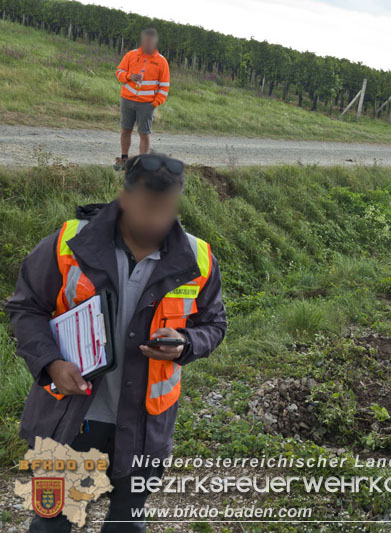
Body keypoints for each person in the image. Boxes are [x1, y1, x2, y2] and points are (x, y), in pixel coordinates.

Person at [6, 153, 227, 532]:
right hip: (70, 419)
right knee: (51, 522)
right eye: (146, 208)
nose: (155, 220)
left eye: (165, 209)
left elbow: (214, 323)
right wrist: (51, 363)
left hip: (146, 425)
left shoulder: (197, 258)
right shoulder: (69, 243)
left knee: (127, 522)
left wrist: (186, 342)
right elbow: (26, 308)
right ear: (124, 198)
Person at [114, 28, 171, 170]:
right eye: (145, 41)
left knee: (144, 134)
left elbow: (164, 87)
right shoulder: (131, 55)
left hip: (146, 104)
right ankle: (124, 159)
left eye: (150, 42)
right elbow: (119, 72)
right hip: (127, 100)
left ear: (155, 43)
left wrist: (154, 103)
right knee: (125, 129)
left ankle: (141, 164)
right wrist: (129, 76)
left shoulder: (161, 61)